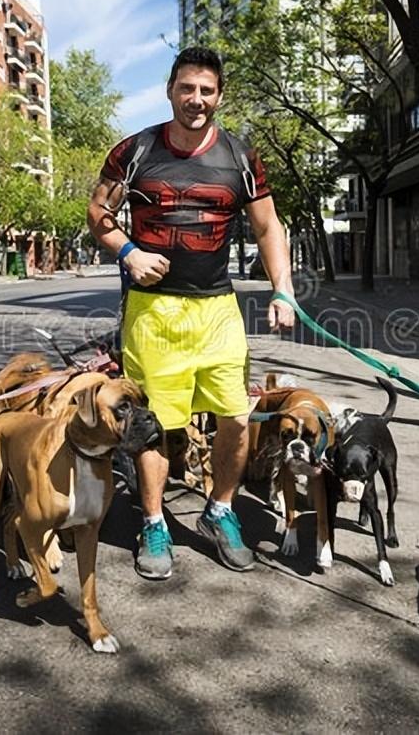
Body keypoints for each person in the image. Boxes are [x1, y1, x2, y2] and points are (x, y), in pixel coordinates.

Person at [87, 47, 296, 580]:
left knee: (235, 415)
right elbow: (99, 213)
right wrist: (129, 253)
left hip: (218, 309)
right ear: (170, 90)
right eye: (187, 88)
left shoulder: (241, 158)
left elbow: (270, 227)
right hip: (153, 313)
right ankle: (154, 522)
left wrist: (283, 291)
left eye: (206, 90)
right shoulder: (134, 152)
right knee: (155, 424)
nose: (196, 99)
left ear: (218, 96)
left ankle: (219, 510)